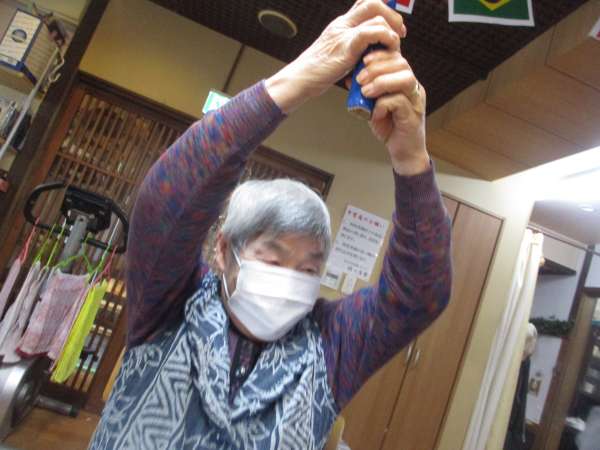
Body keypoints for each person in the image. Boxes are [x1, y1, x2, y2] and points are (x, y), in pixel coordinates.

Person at [88, 1, 452, 448]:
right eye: (273, 260)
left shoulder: (332, 346)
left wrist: (411, 156)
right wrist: (297, 79)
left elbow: (420, 293)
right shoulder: (170, 303)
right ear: (224, 250)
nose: (289, 281)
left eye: (308, 269)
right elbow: (165, 203)